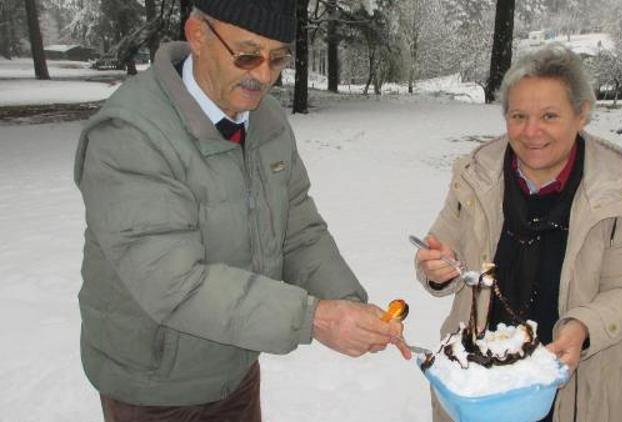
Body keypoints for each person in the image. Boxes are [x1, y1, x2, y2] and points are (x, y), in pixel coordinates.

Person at [73, 1, 408, 420]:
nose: (264, 75)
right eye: (247, 54)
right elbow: (175, 284)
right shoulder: (130, 135)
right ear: (197, 35)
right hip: (153, 388)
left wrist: (346, 302)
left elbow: (297, 230)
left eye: (278, 57)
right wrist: (313, 317)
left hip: (235, 365)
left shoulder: (264, 119)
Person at [415, 43, 622, 422]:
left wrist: (582, 328)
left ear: (582, 115)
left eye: (549, 116)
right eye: (518, 115)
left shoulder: (617, 189)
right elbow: (440, 250)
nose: (531, 132)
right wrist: (434, 268)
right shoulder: (475, 176)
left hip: (579, 388)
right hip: (480, 387)